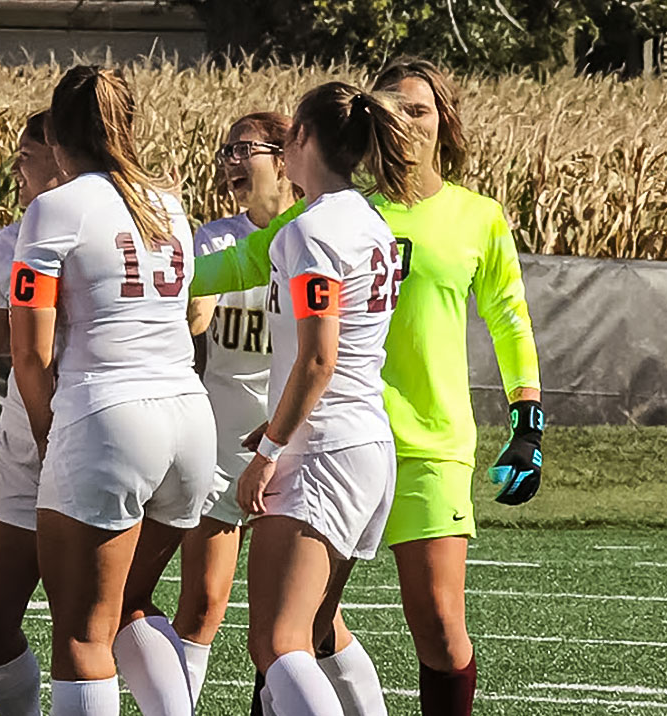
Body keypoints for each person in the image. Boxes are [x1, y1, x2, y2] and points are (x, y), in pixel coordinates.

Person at [194, 57, 546, 716]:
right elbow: (245, 259)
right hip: (347, 431)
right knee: (305, 628)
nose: (407, 121)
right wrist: (153, 278)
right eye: (395, 107)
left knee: (431, 626)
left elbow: (509, 316)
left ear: (445, 121)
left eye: (421, 109)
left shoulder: (470, 216)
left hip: (415, 441)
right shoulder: (353, 212)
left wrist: (527, 418)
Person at [11, 65, 216, 716]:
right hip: (188, 415)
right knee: (129, 605)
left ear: (59, 133)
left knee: (82, 634)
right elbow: (187, 316)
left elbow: (29, 350)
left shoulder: (54, 208)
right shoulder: (172, 204)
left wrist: (52, 438)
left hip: (108, 414)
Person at [233, 81, 421, 716]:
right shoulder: (370, 220)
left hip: (323, 449)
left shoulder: (312, 229)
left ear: (305, 138)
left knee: (278, 642)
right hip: (362, 440)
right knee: (317, 630)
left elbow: (319, 357)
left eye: (288, 136)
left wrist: (270, 447)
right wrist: (274, 424)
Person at [174, 112, 300, 705]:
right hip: (226, 441)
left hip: (293, 443)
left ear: (284, 157)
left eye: (242, 149)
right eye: (223, 149)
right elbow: (196, 321)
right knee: (202, 606)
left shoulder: (311, 236)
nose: (228, 161)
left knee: (292, 622)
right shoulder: (218, 239)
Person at [0, 110, 63, 716]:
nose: (16, 170)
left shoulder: (145, 219)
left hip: (79, 434)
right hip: (26, 445)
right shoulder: (11, 239)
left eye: (27, 157)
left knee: (94, 624)